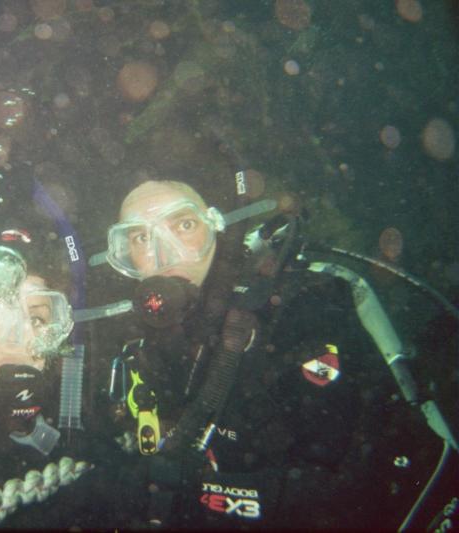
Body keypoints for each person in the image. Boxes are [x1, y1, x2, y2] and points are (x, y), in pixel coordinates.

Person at [79, 178, 457, 529]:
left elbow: (377, 477)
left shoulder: (305, 309)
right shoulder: (136, 352)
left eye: (184, 226)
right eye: (142, 239)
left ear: (216, 227)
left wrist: (210, 494)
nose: (163, 253)